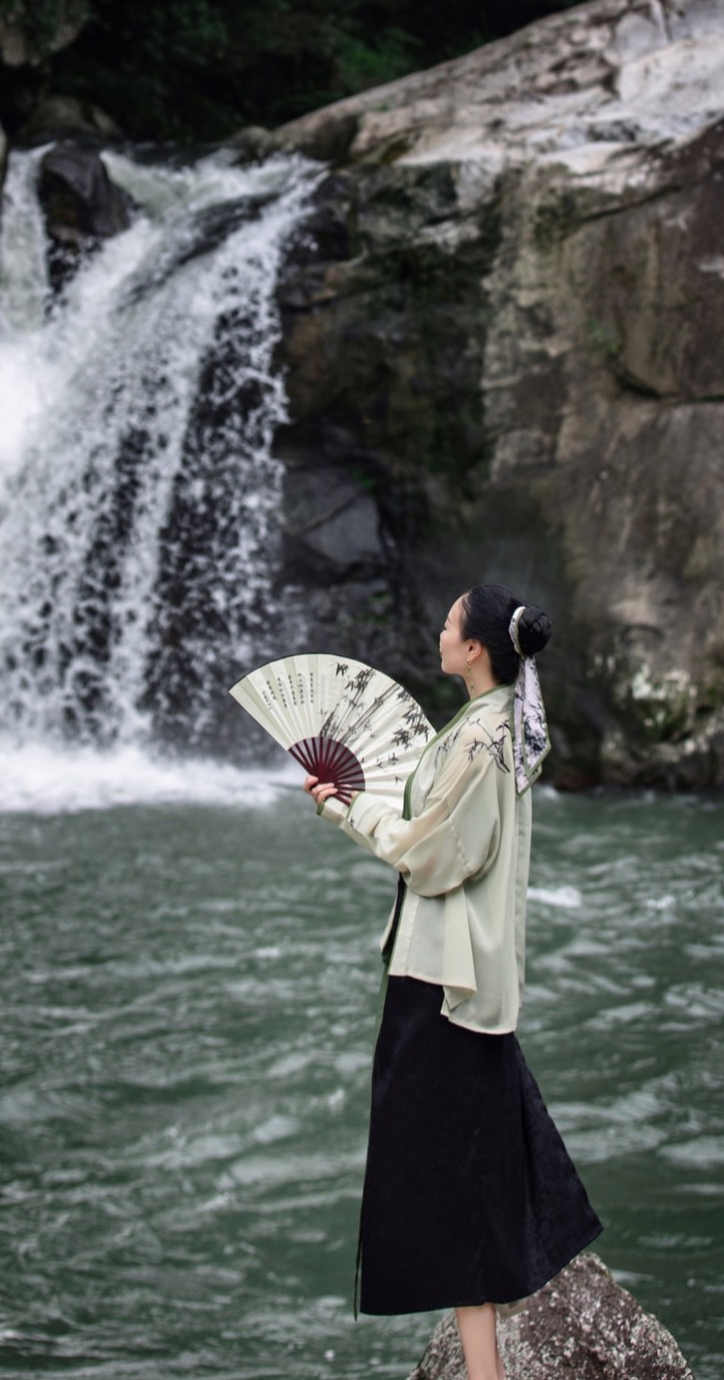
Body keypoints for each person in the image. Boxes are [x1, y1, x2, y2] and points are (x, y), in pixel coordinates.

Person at [304, 585, 601, 1380]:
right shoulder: (495, 726)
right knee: (471, 1170)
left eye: (447, 623)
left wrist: (347, 811)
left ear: (475, 648)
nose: (437, 629)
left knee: (454, 1178)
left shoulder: (481, 741)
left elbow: (434, 858)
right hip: (455, 974)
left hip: (445, 983)